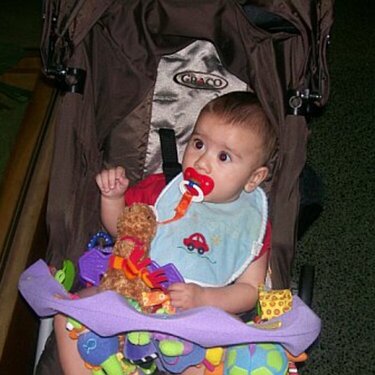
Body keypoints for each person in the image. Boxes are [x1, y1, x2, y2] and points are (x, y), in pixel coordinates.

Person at [54, 91, 277, 374]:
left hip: (196, 319)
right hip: (132, 297)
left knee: (229, 345)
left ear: (254, 178)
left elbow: (249, 291)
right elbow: (124, 231)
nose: (202, 162)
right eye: (199, 144)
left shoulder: (251, 223)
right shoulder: (162, 189)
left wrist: (205, 298)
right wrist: (113, 198)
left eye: (224, 156)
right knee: (68, 316)